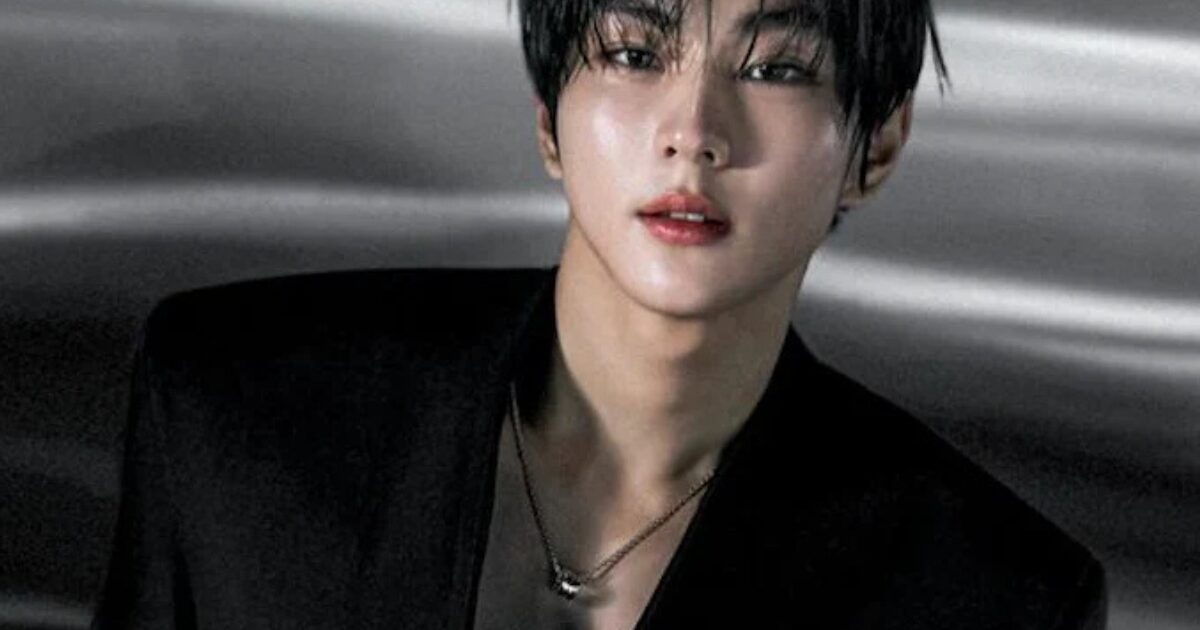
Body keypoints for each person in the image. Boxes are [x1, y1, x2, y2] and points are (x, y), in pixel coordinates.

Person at [92, 0, 1107, 628]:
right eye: (633, 53)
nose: (693, 132)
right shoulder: (233, 409)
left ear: (874, 147)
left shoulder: (994, 597)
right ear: (548, 116)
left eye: (776, 67)